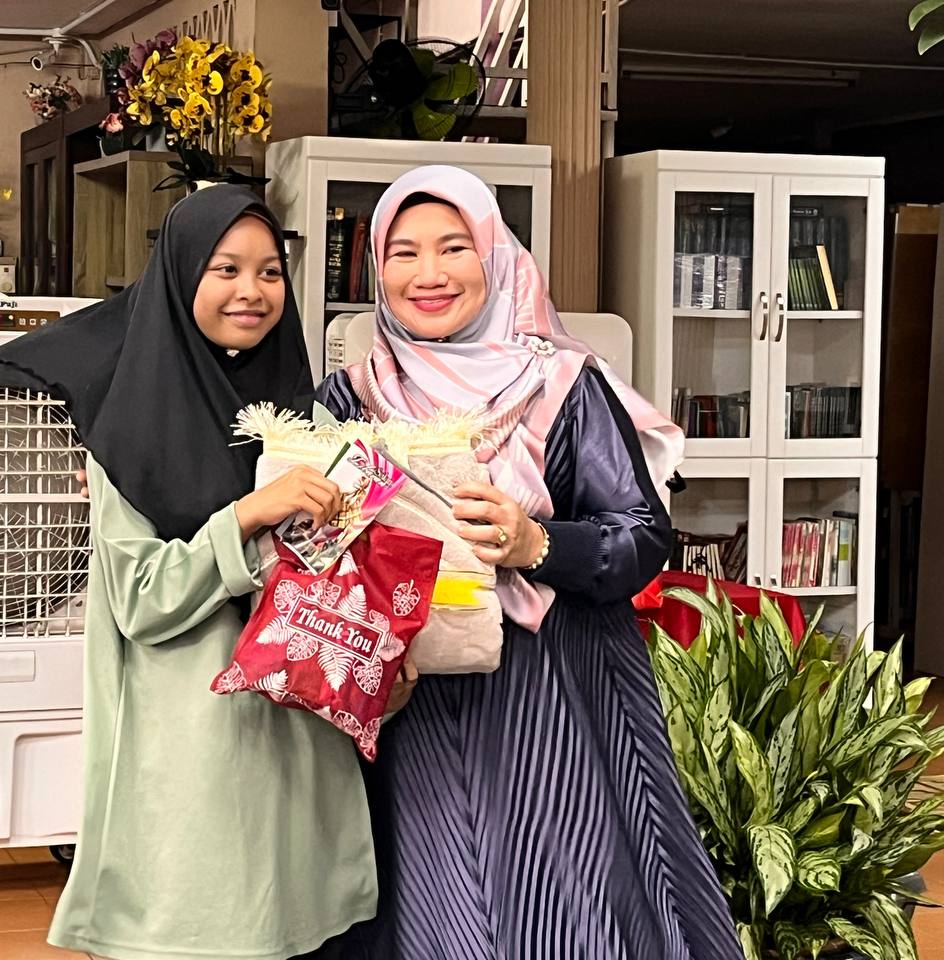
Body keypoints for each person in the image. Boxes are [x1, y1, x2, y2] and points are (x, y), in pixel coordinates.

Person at [316, 166, 743, 960]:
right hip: (407, 702)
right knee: (425, 906)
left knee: (558, 905)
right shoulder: (349, 398)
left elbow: (641, 535)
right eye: (404, 253)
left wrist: (536, 543)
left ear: (496, 256)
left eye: (454, 248)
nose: (429, 274)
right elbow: (312, 551)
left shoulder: (561, 385)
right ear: (378, 269)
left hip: (548, 696)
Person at [0, 186, 374, 960]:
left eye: (269, 272)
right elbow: (141, 600)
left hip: (299, 743)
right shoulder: (128, 427)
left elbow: (342, 573)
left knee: (295, 930)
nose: (252, 291)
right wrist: (248, 516)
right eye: (225, 269)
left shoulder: (303, 419)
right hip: (192, 753)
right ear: (179, 278)